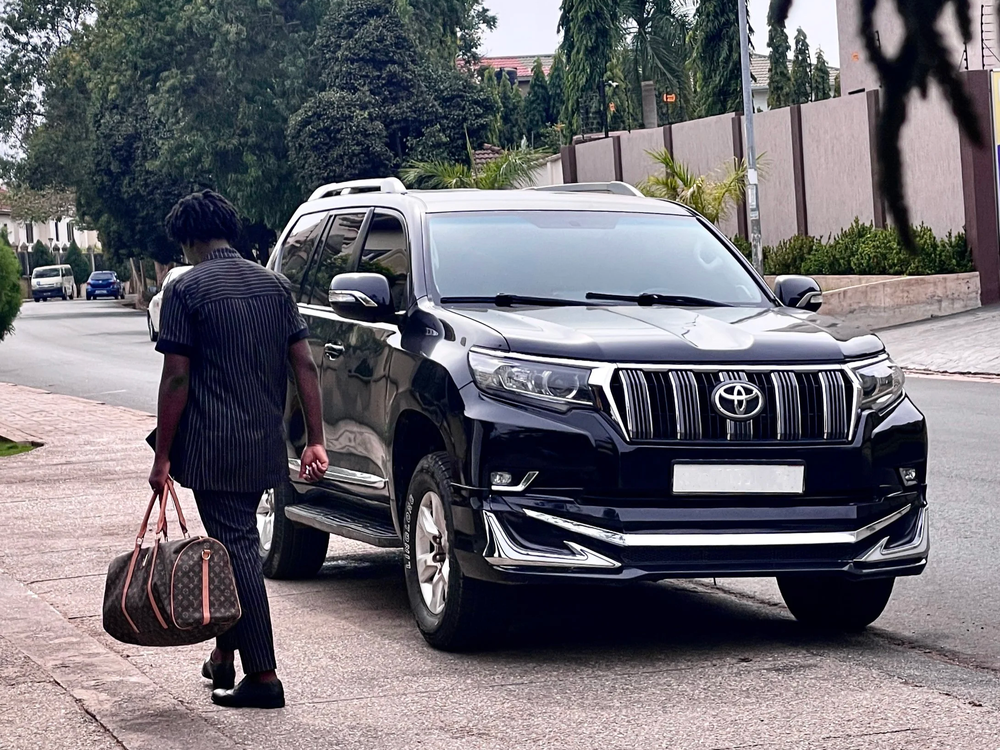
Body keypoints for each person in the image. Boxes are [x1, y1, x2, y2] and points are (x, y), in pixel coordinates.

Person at [148, 190, 328, 709]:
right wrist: (315, 438)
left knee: (239, 551)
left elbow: (176, 379)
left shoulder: (187, 289)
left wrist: (162, 455)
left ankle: (264, 677)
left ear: (189, 240)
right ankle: (224, 660)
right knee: (232, 544)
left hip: (212, 450)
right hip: (262, 445)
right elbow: (305, 367)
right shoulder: (276, 286)